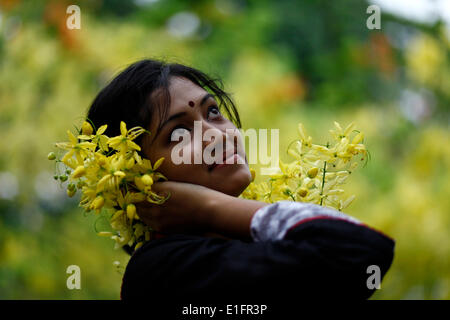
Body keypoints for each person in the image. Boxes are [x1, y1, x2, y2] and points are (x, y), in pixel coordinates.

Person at [86, 59, 395, 304]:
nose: (217, 135)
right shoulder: (161, 272)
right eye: (178, 133)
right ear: (137, 182)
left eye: (214, 112)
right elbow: (361, 251)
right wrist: (209, 208)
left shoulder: (238, 246)